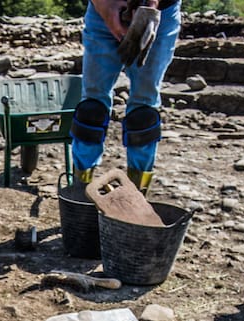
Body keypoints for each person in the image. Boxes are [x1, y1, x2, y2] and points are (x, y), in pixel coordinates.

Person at [69, 0, 182, 193]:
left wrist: (151, 4)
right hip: (102, 10)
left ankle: (136, 197)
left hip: (161, 12)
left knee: (143, 115)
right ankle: (80, 193)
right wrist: (104, 5)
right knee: (91, 111)